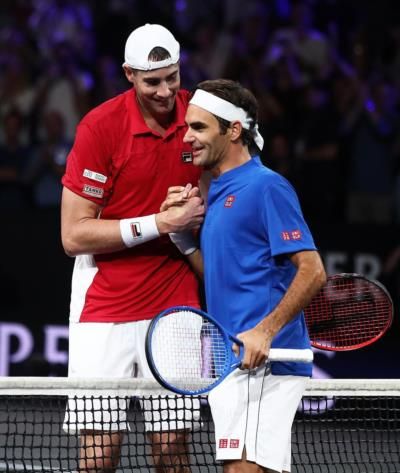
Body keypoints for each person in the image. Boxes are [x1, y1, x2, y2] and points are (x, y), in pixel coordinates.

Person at [60, 24, 205, 473]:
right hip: (104, 304)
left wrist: (196, 212)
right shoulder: (100, 128)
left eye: (172, 77)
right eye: (152, 81)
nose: (165, 92)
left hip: (176, 303)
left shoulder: (201, 121)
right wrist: (159, 223)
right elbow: (74, 235)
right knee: (99, 453)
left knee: (170, 449)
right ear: (128, 74)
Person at [163, 79, 326, 473]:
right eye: (188, 127)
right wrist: (182, 240)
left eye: (199, 128)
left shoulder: (266, 186)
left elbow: (313, 271)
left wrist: (265, 332)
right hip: (231, 361)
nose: (187, 137)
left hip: (268, 362)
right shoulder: (217, 190)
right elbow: (222, 275)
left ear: (233, 130)